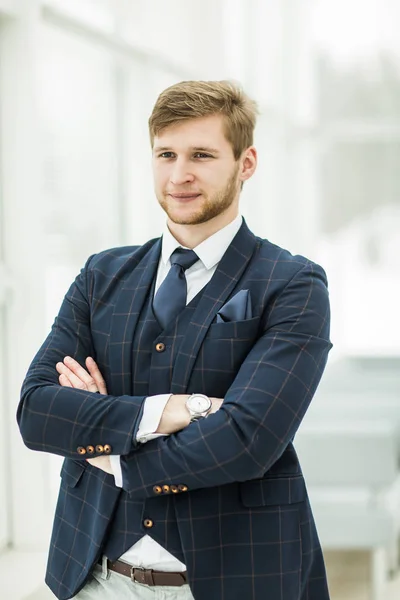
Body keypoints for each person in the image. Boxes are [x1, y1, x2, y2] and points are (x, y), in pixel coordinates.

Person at [17, 80, 333, 600]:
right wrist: (171, 411)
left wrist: (110, 451)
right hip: (95, 575)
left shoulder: (293, 284)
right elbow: (38, 412)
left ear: (245, 163)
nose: (179, 174)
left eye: (202, 155)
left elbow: (247, 440)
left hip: (236, 578)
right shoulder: (101, 276)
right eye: (166, 154)